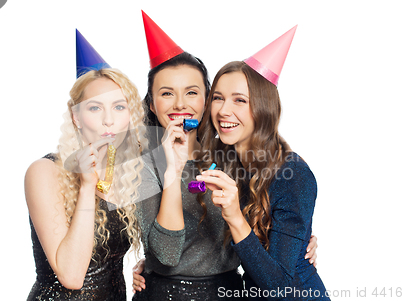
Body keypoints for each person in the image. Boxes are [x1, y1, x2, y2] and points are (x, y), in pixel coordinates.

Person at [132, 13, 318, 300]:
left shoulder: (250, 162)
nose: (181, 104)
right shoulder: (148, 164)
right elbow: (168, 254)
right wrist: (151, 267)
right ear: (152, 103)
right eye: (167, 93)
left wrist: (300, 243)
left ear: (202, 100)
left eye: (192, 92)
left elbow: (280, 272)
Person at [196, 27, 329, 300]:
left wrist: (234, 216)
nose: (223, 110)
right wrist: (150, 267)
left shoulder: (293, 175)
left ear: (263, 107)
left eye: (240, 100)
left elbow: (279, 286)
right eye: (218, 98)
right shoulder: (227, 160)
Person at [25, 30, 146, 301]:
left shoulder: (130, 174)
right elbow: (71, 275)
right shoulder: (45, 172)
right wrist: (87, 185)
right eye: (94, 108)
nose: (108, 120)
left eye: (118, 107)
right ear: (76, 117)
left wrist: (147, 266)